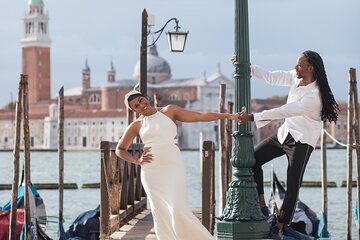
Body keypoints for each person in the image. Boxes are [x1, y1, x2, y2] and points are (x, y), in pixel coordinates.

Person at [233, 50, 339, 239]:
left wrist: (252, 117)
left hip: (302, 141)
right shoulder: (294, 76)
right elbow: (271, 77)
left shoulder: (314, 97)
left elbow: (286, 111)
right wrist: (246, 67)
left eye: (299, 64)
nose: (295, 67)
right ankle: (263, 208)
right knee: (254, 160)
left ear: (310, 68)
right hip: (285, 134)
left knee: (293, 184)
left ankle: (279, 225)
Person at [115, 90, 240, 240]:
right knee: (160, 212)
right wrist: (137, 160)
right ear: (133, 110)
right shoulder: (137, 124)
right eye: (136, 106)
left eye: (141, 100)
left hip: (173, 166)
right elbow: (120, 149)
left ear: (145, 97)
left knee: (178, 209)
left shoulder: (169, 111)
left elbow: (199, 116)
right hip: (151, 172)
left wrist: (227, 116)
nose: (142, 105)